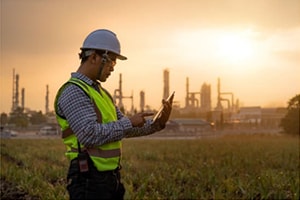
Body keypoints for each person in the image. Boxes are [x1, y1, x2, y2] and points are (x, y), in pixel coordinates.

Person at [54, 29, 173, 200]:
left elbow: (125, 128)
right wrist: (128, 123)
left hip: (109, 179)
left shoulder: (102, 94)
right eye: (111, 62)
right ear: (94, 57)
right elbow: (90, 135)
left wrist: (157, 123)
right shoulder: (74, 92)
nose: (112, 68)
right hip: (88, 179)